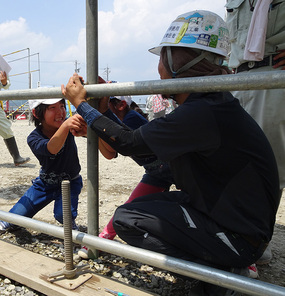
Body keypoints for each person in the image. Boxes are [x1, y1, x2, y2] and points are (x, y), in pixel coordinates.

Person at [62, 10, 280, 295]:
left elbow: (130, 143)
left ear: (179, 61)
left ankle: (221, 274)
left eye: (162, 58)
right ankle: (222, 263)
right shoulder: (212, 104)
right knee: (136, 211)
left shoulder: (202, 112)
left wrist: (82, 105)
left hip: (238, 237)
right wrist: (101, 114)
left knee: (128, 221)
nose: (159, 70)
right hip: (238, 224)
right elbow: (150, 158)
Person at [78, 87, 174, 259]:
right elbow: (110, 151)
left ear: (121, 105)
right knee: (130, 204)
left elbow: (121, 143)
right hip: (156, 172)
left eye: (104, 103)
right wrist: (89, 132)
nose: (100, 107)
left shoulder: (132, 118)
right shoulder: (126, 118)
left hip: (168, 167)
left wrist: (92, 114)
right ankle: (101, 240)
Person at [225, 0, 285, 277]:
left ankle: (257, 240)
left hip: (274, 75)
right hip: (235, 77)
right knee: (228, 162)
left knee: (268, 166)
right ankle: (236, 235)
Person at [0, 98, 87, 233]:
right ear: (36, 113)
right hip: (44, 184)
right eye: (52, 108)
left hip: (70, 182)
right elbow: (51, 148)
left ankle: (70, 225)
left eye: (62, 106)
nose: (60, 112)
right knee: (15, 217)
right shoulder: (34, 138)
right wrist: (65, 126)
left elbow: (88, 125)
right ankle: (9, 222)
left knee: (63, 214)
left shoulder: (68, 126)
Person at [0, 71, 30, 166]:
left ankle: (17, 157)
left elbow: (6, 85)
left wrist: (4, 82)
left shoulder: (1, 66)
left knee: (6, 128)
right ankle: (17, 157)